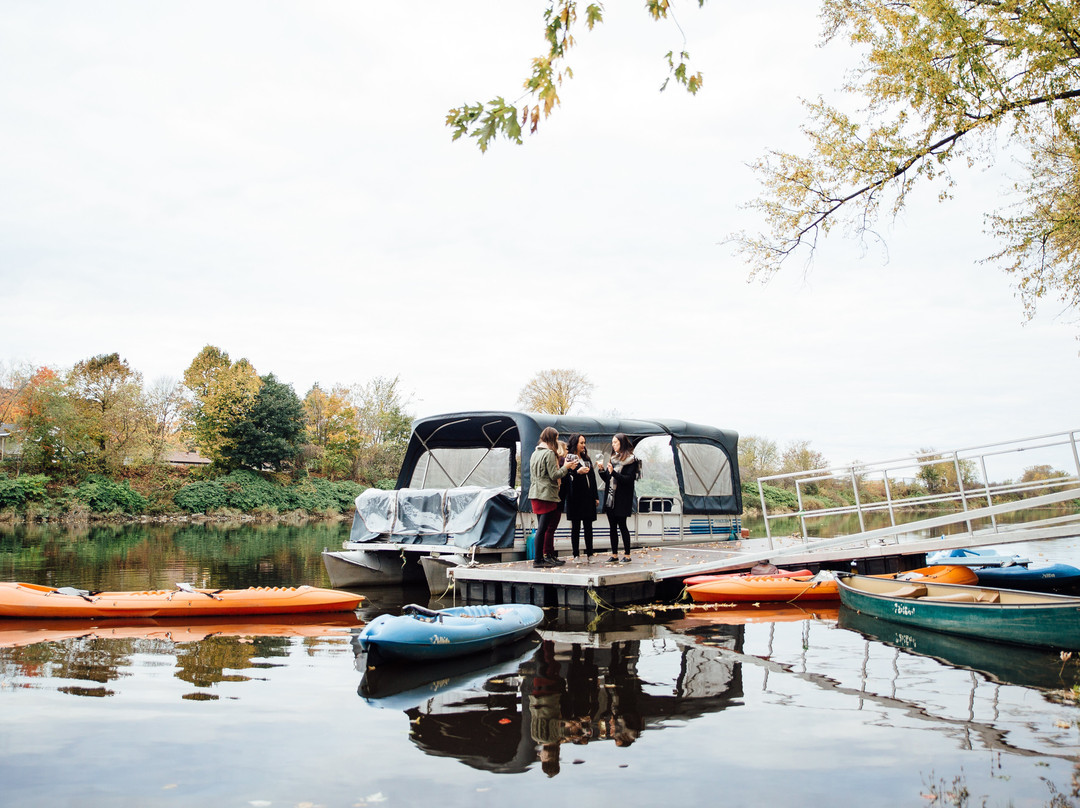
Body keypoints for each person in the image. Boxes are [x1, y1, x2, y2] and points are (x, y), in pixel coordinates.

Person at [529, 426, 578, 568]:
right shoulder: (549, 454)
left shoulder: (535, 453)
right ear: (551, 438)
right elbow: (554, 475)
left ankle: (544, 557)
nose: (557, 441)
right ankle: (538, 560)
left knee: (542, 527)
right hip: (546, 494)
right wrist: (566, 467)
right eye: (556, 438)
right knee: (543, 528)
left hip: (535, 492)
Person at [598, 432, 641, 563]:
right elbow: (607, 479)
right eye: (612, 443)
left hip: (622, 498)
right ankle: (614, 554)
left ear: (621, 443)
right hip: (611, 497)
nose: (613, 445)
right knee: (612, 527)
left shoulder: (631, 460)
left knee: (622, 525)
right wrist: (601, 471)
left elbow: (628, 480)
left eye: (615, 442)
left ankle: (627, 554)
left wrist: (614, 473)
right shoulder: (613, 459)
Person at [562, 433, 598, 559]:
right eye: (581, 443)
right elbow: (566, 477)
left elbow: (592, 479)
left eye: (584, 443)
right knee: (575, 527)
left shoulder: (586, 459)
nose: (584, 445)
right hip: (575, 497)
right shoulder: (569, 459)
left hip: (588, 497)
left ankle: (590, 554)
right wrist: (577, 472)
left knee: (588, 526)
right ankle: (576, 554)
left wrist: (596, 496)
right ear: (575, 444)